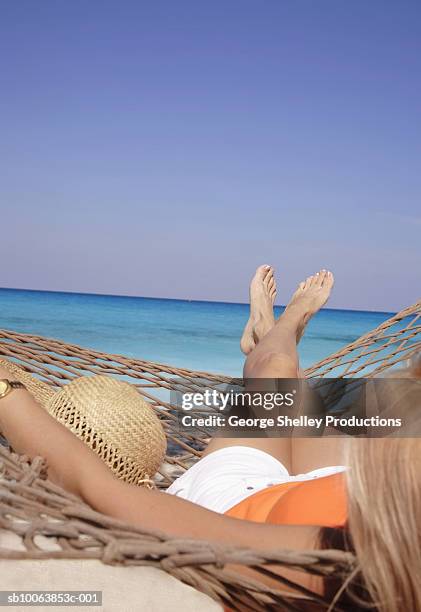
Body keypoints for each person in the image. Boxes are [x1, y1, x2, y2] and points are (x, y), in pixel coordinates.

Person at [0, 266, 419, 612]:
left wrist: (9, 396)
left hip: (237, 498)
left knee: (274, 371)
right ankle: (269, 332)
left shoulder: (362, 565)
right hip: (348, 481)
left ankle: (283, 325)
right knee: (297, 393)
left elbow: (103, 493)